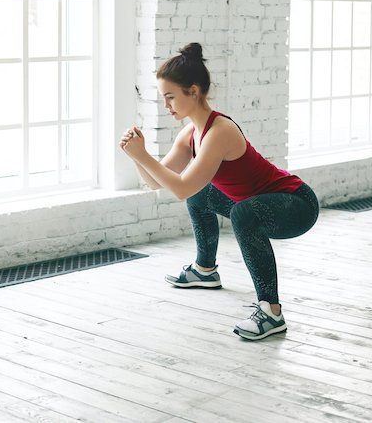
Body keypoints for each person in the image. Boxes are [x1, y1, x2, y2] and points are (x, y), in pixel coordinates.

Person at [119, 43, 319, 341]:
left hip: (297, 205)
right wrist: (136, 154)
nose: (167, 106)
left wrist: (144, 156)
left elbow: (181, 188)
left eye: (171, 97)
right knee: (204, 195)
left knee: (241, 211)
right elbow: (157, 182)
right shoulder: (191, 134)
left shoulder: (219, 132)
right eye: (164, 99)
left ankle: (271, 312)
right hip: (258, 202)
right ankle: (205, 269)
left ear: (194, 91)